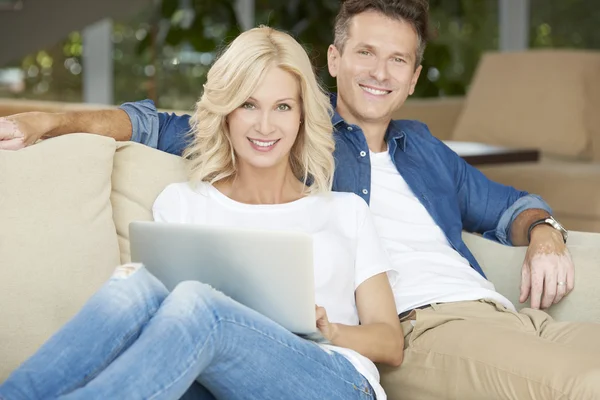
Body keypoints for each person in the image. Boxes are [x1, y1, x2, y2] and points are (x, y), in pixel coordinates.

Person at [2, 1, 599, 399]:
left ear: (415, 77)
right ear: (333, 61)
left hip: (494, 310)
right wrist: (47, 124)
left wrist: (544, 228)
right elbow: (160, 125)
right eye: (365, 52)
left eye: (398, 60)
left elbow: (509, 205)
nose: (381, 72)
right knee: (151, 290)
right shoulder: (296, 141)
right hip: (419, 328)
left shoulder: (422, 150)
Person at [0, 27, 403, 400]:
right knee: (133, 284)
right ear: (227, 111)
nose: (265, 125)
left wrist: (328, 328)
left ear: (301, 116)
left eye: (282, 106)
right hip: (214, 381)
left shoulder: (346, 212)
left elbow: (390, 343)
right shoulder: (182, 202)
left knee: (197, 302)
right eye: (248, 104)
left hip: (333, 380)